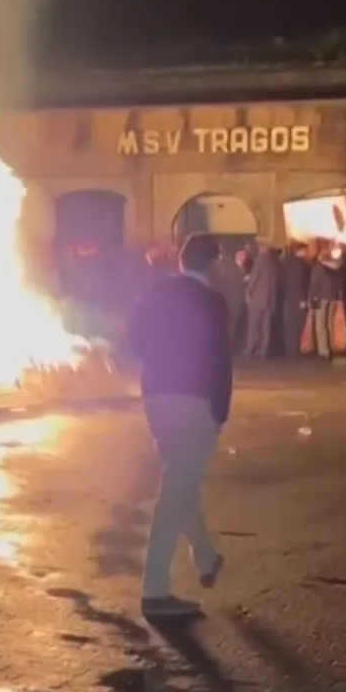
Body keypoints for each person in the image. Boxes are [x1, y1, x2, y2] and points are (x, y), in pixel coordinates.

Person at [126, 233, 230, 619]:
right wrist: (220, 411)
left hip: (156, 397)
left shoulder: (156, 292)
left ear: (182, 260)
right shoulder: (213, 302)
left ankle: (205, 557)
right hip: (195, 401)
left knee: (179, 482)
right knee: (175, 493)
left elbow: (133, 342)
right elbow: (221, 360)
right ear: (214, 263)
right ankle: (155, 590)